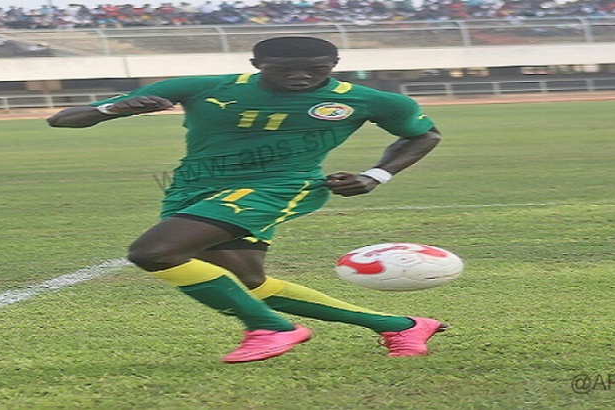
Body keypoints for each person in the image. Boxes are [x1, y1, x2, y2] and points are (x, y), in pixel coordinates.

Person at [47, 36, 444, 364]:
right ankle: (401, 326)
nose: (300, 76)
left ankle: (271, 328)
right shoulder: (203, 87)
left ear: (335, 62)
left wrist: (375, 175)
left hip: (279, 187)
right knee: (248, 281)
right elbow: (62, 119)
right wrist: (113, 108)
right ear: (256, 63)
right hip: (193, 188)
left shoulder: (372, 100)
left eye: (317, 68)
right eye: (282, 69)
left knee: (153, 252)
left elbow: (423, 135)